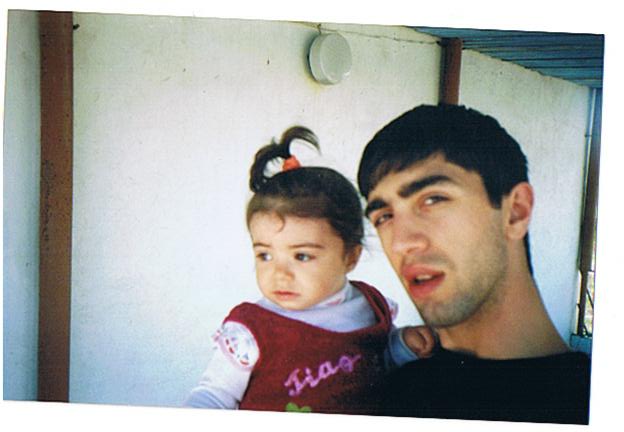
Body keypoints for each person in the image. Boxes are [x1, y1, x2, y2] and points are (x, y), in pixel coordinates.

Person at [356, 104, 591, 424]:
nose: (400, 242)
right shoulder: (374, 396)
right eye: (384, 217)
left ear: (515, 212)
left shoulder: (596, 405)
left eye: (433, 199)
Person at [184, 126, 435, 414]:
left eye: (301, 256)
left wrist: (401, 347)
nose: (280, 273)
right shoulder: (251, 331)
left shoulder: (369, 307)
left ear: (350, 257)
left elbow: (375, 363)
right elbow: (214, 396)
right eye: (265, 255)